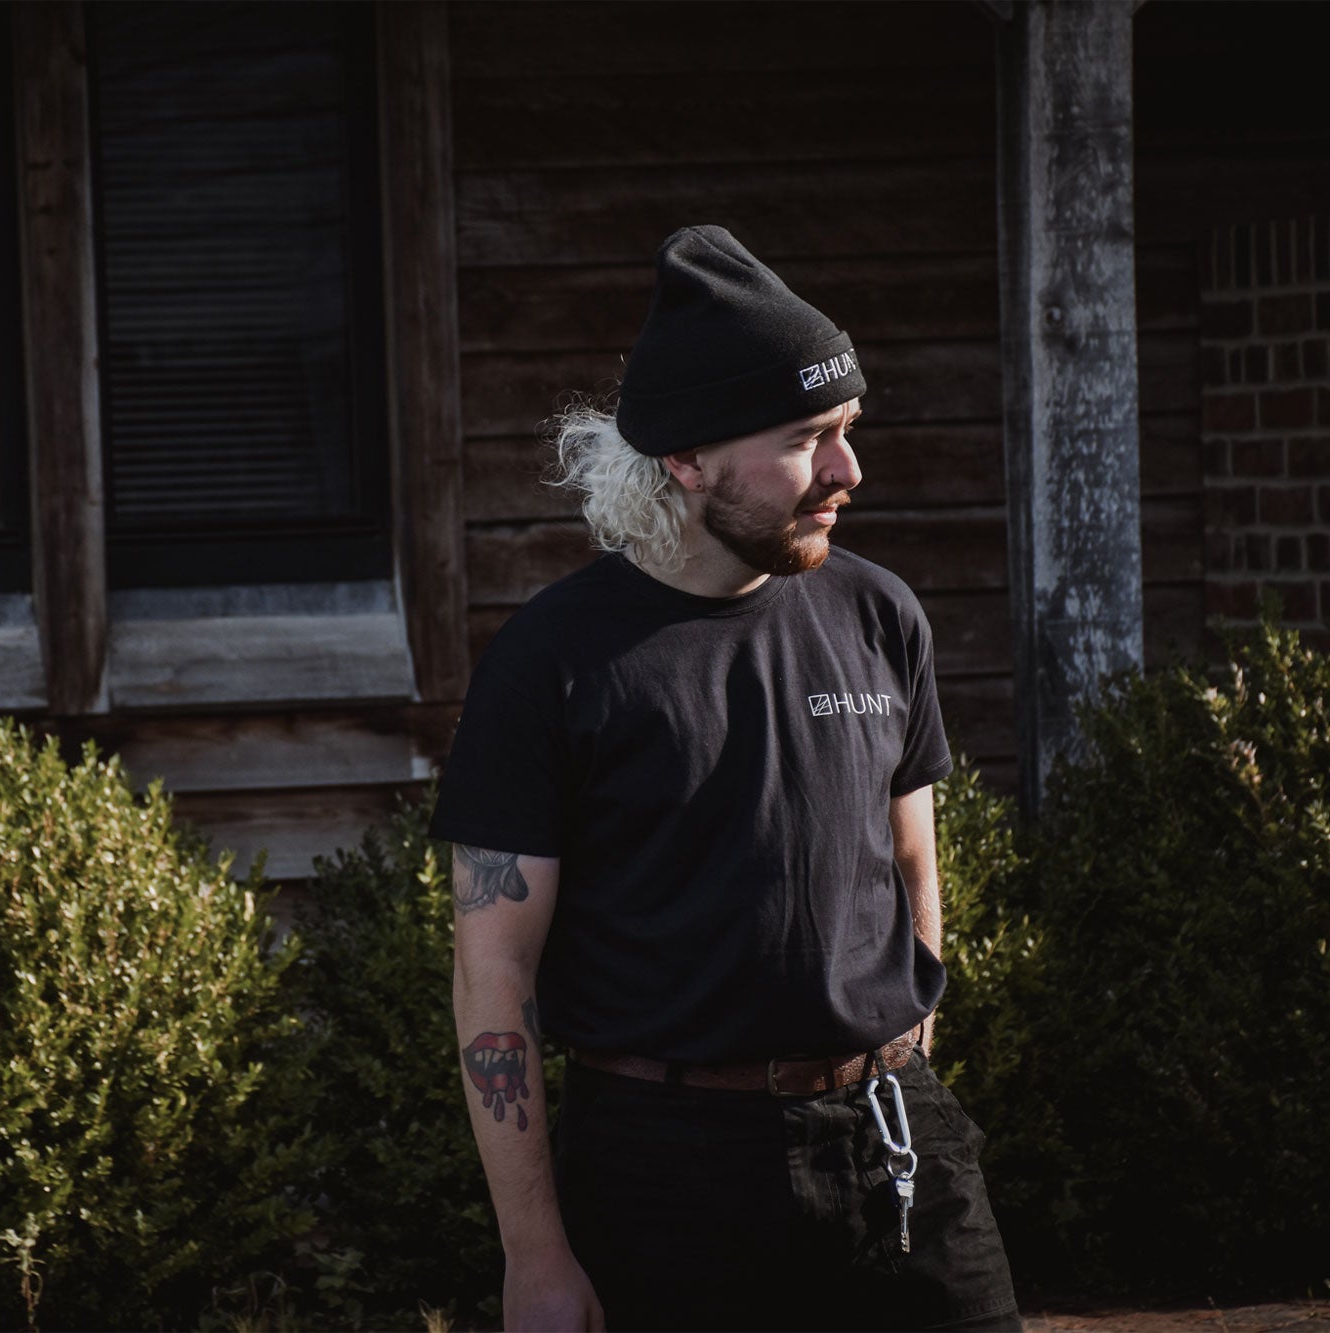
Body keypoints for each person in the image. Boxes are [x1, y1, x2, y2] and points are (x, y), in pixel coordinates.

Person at [431, 225, 1020, 1332]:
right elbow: (493, 974)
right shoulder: (553, 662)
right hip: (666, 1176)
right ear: (687, 459)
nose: (847, 471)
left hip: (899, 1142)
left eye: (847, 429)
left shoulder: (879, 614)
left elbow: (911, 869)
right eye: (807, 439)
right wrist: (535, 1256)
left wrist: (897, 1060)